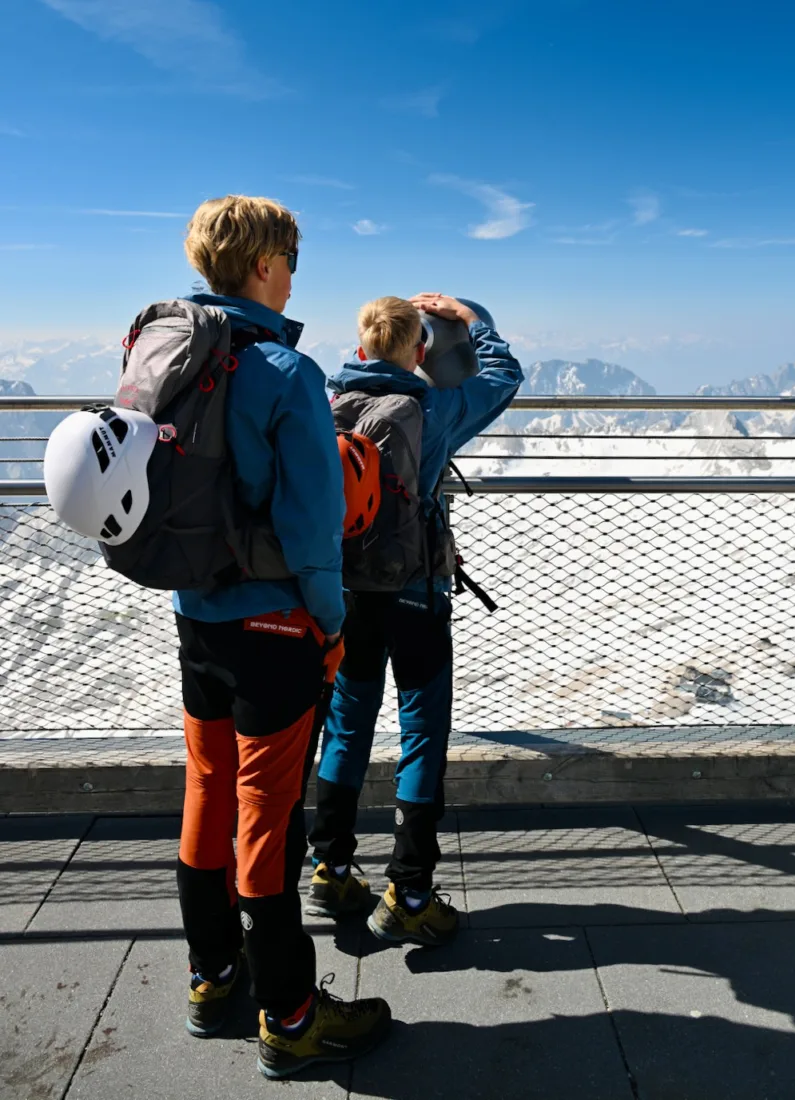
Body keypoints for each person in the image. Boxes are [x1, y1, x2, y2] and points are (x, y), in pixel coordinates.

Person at [174, 195, 390, 1080]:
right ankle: (292, 1015)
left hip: (195, 617)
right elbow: (312, 524)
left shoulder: (177, 350)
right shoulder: (284, 371)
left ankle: (210, 975)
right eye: (291, 258)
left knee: (204, 793)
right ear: (264, 264)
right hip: (274, 626)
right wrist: (332, 625)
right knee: (266, 822)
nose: (295, 274)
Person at [307, 293, 523, 944]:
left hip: (344, 593)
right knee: (421, 733)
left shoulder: (323, 404)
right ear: (420, 352)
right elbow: (503, 379)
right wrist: (476, 323)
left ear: (358, 347)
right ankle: (410, 889)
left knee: (346, 726)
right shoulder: (432, 409)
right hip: (416, 592)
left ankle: (331, 867)